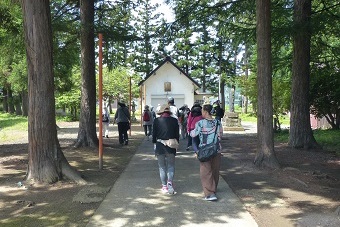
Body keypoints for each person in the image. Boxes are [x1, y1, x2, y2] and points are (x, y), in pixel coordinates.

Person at [190, 104, 223, 201]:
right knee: (215, 171)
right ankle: (214, 189)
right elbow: (221, 135)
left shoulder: (200, 123)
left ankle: (209, 194)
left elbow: (193, 134)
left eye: (202, 110)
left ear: (205, 112)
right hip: (217, 149)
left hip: (205, 150)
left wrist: (189, 131)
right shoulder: (217, 122)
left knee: (205, 172)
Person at [152, 104, 179, 194]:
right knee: (171, 166)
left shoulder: (156, 121)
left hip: (160, 145)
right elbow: (177, 135)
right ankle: (170, 183)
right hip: (171, 145)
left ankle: (164, 186)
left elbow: (154, 134)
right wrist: (176, 144)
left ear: (161, 112)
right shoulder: (174, 120)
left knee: (162, 167)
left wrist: (154, 143)